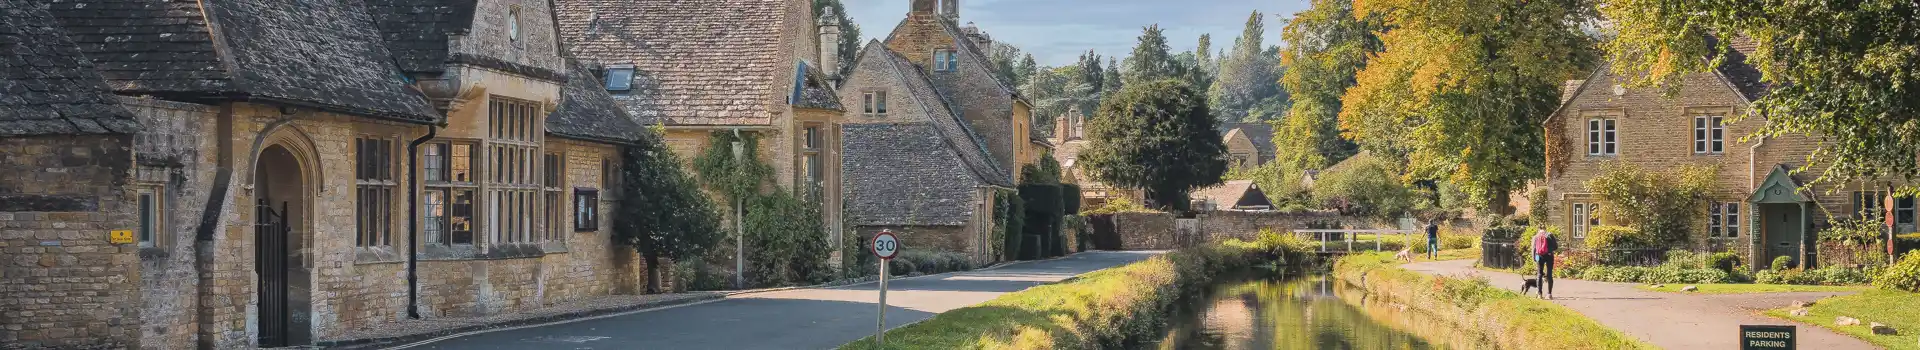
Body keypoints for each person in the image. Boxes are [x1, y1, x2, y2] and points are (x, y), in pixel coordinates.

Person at [1533, 228, 1560, 299]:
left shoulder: (1536, 236)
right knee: (1549, 274)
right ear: (1545, 230)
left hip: (1539, 256)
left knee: (1539, 274)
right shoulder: (1550, 235)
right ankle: (1549, 294)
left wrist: (1534, 258)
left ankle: (1539, 294)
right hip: (1549, 256)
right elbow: (1556, 247)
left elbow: (1533, 248)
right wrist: (1549, 249)